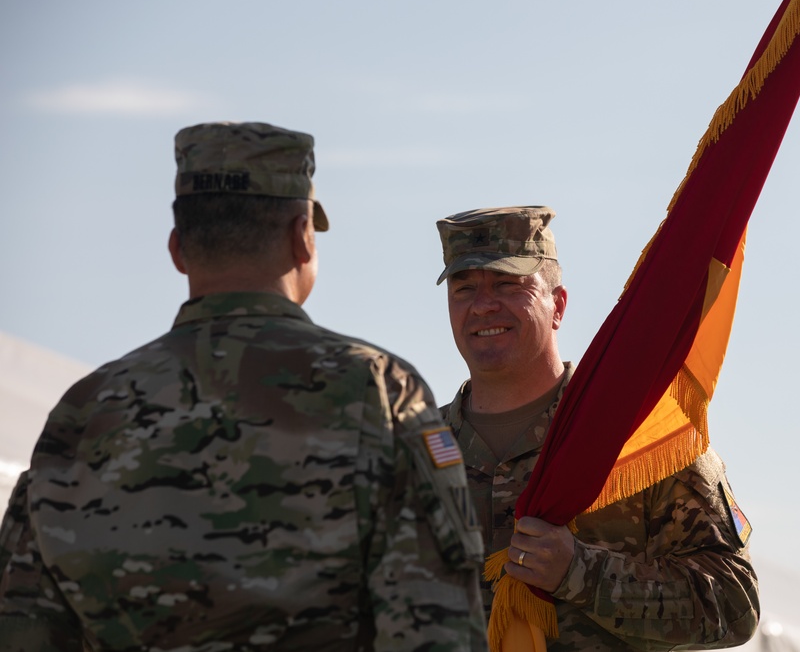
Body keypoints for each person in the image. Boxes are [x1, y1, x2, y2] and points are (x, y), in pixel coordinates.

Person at [0, 121, 486, 651]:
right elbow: (437, 629)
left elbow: (22, 625)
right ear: (303, 237)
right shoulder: (378, 390)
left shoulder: (82, 413)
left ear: (177, 248)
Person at [434, 205, 760, 650]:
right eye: (464, 288)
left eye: (509, 285)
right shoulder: (414, 450)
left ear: (558, 306)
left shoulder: (635, 433)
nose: (483, 305)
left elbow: (734, 603)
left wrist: (582, 573)